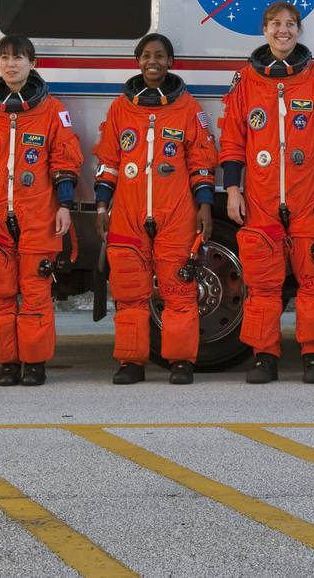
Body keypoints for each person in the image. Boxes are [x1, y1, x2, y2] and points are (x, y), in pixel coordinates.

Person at [220, 1, 314, 384]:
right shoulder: (245, 81)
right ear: (264, 29)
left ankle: (313, 354)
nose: (283, 31)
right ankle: (264, 356)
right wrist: (232, 189)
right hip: (260, 200)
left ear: (299, 30)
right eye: (275, 24)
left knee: (313, 281)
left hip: (309, 198)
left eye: (290, 24)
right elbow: (232, 141)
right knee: (262, 284)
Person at [0, 36, 83, 387]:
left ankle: (35, 362)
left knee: (37, 292)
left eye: (19, 58)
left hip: (39, 213)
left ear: (32, 62)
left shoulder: (52, 110)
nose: (11, 65)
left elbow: (65, 161)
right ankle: (7, 362)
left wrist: (65, 206)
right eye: (5, 58)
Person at [93, 34, 217, 385]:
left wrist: (204, 207)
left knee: (179, 289)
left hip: (176, 211)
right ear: (137, 61)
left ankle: (180, 361)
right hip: (129, 212)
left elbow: (201, 163)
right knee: (129, 291)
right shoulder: (121, 109)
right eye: (146, 55)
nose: (153, 61)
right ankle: (131, 362)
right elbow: (108, 162)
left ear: (170, 62)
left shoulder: (188, 108)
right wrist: (102, 206)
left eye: (160, 56)